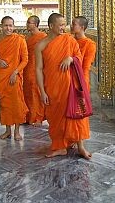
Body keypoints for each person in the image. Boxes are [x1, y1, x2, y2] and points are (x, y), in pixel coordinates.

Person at [35, 13, 92, 160]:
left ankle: (81, 147)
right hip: (52, 87)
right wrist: (42, 91)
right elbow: (39, 69)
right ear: (51, 26)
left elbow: (78, 57)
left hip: (70, 86)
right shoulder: (41, 45)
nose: (63, 27)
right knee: (55, 117)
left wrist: (71, 58)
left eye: (64, 24)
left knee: (76, 116)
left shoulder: (69, 40)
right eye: (60, 24)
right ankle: (60, 147)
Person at [0, 16, 29, 141]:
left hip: (15, 76)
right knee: (4, 104)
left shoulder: (19, 40)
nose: (8, 28)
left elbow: (25, 60)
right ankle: (8, 130)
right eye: (6, 25)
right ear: (1, 26)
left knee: (16, 103)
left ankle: (17, 131)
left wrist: (15, 72)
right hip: (2, 75)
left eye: (10, 25)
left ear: (14, 26)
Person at [23, 15, 47, 127]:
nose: (27, 24)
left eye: (30, 22)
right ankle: (28, 116)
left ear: (36, 24)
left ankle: (38, 117)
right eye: (27, 22)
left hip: (37, 66)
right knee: (27, 92)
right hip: (26, 67)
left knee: (36, 92)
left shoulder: (43, 37)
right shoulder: (26, 38)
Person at [71, 16, 97, 89]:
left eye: (74, 24)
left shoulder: (89, 44)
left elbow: (86, 67)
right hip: (66, 76)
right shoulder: (69, 40)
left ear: (82, 27)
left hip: (80, 76)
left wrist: (82, 85)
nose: (71, 26)